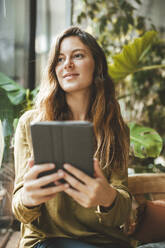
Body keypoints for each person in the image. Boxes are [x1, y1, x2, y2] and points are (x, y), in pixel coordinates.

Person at [12, 26, 132, 248]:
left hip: (105, 242)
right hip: (47, 241)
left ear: (97, 65)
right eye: (59, 59)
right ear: (53, 69)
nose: (67, 64)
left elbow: (122, 211)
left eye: (77, 55)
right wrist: (28, 197)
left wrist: (108, 198)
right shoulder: (31, 123)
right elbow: (20, 207)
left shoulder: (116, 128)